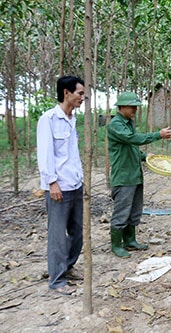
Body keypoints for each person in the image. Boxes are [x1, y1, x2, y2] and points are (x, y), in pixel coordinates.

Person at [107, 91, 171, 258]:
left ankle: (130, 240)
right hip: (123, 177)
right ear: (121, 107)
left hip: (135, 175)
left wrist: (145, 157)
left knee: (134, 211)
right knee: (122, 212)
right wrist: (157, 135)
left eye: (136, 107)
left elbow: (130, 148)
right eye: (132, 107)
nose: (135, 110)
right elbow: (133, 139)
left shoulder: (128, 123)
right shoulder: (116, 124)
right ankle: (116, 245)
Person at [36, 75, 85, 295]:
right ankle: (56, 280)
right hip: (59, 187)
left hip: (75, 183)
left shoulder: (73, 119)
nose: (83, 98)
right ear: (66, 93)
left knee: (76, 232)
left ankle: (69, 266)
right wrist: (52, 182)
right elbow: (45, 153)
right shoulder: (48, 119)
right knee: (57, 234)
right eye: (80, 93)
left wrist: (81, 178)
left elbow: (72, 155)